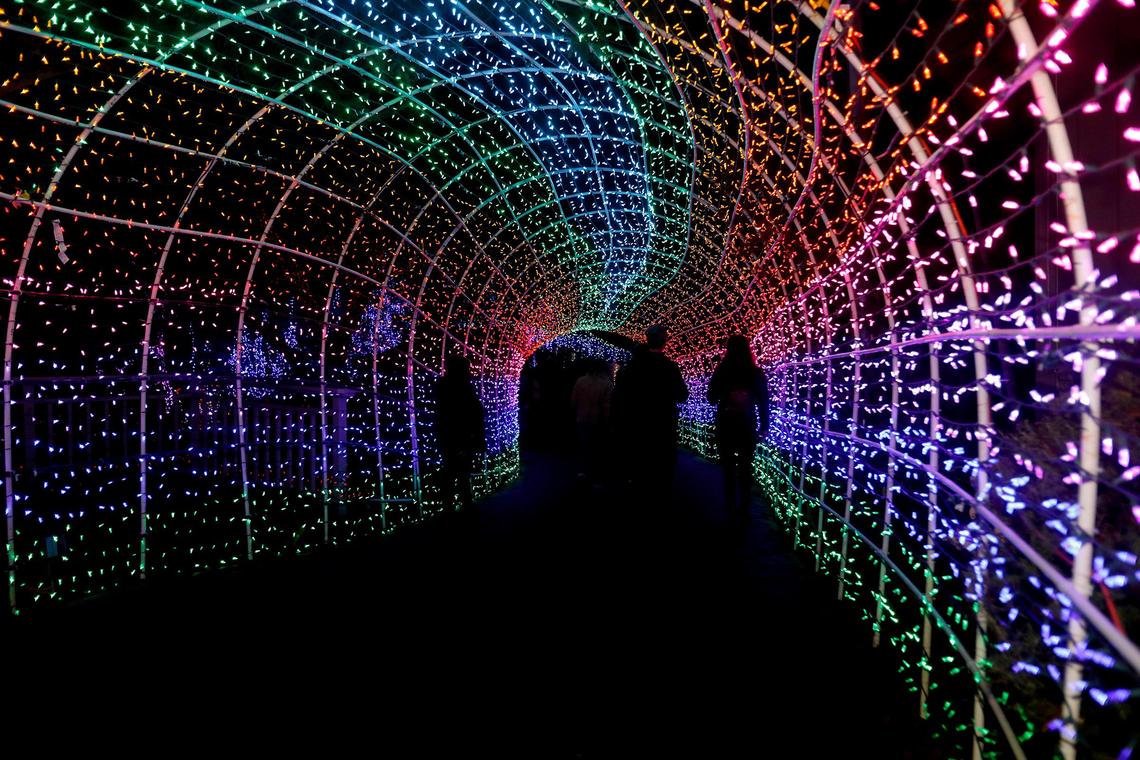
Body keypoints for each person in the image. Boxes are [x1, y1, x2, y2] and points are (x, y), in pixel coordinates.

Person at [613, 324, 689, 497]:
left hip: (637, 424)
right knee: (662, 468)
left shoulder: (630, 368)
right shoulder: (670, 367)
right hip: (663, 425)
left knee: (639, 465)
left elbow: (619, 396)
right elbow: (682, 395)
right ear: (664, 342)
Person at [707, 334, 769, 519]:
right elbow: (764, 401)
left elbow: (711, 397)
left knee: (728, 467)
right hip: (747, 423)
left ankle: (730, 506)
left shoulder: (722, 370)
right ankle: (745, 507)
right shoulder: (755, 372)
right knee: (745, 466)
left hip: (726, 423)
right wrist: (765, 425)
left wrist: (726, 393)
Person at [435, 354, 485, 513]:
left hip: (450, 434)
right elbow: (472, 410)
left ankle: (451, 505)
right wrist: (473, 432)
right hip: (460, 434)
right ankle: (462, 504)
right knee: (460, 471)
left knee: (453, 470)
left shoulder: (444, 385)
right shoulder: (461, 386)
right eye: (467, 368)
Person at [569, 358, 614, 484]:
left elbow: (573, 401)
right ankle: (596, 476)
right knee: (598, 448)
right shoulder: (607, 384)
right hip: (598, 420)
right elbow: (607, 406)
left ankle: (583, 472)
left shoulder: (580, 381)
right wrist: (608, 422)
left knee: (584, 446)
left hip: (581, 418)